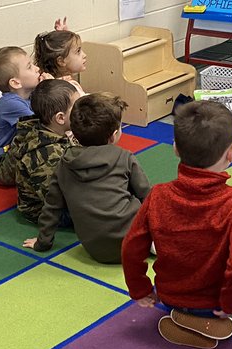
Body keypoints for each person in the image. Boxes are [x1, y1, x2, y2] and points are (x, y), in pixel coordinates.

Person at [121, 100, 232, 348]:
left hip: (169, 297)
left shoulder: (157, 195)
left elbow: (131, 246)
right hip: (214, 303)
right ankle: (211, 325)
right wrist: (230, 304)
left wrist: (140, 289)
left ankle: (183, 320)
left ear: (175, 148)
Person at [26, 93, 151, 263]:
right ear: (113, 135)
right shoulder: (124, 157)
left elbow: (52, 207)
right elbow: (147, 196)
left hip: (97, 250)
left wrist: (42, 243)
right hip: (136, 244)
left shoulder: (64, 163)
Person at [7, 78, 81, 222]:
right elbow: (56, 199)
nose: (82, 112)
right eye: (77, 108)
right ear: (60, 118)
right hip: (44, 210)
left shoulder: (51, 130)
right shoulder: (46, 156)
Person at [0, 45, 43, 185]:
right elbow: (43, 127)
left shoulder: (27, 96)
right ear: (16, 83)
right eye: (29, 67)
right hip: (0, 166)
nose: (37, 68)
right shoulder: (11, 104)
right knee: (45, 135)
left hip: (9, 156)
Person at [33, 21, 87, 92]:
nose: (84, 55)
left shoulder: (53, 85)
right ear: (61, 61)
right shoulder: (67, 90)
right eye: (78, 51)